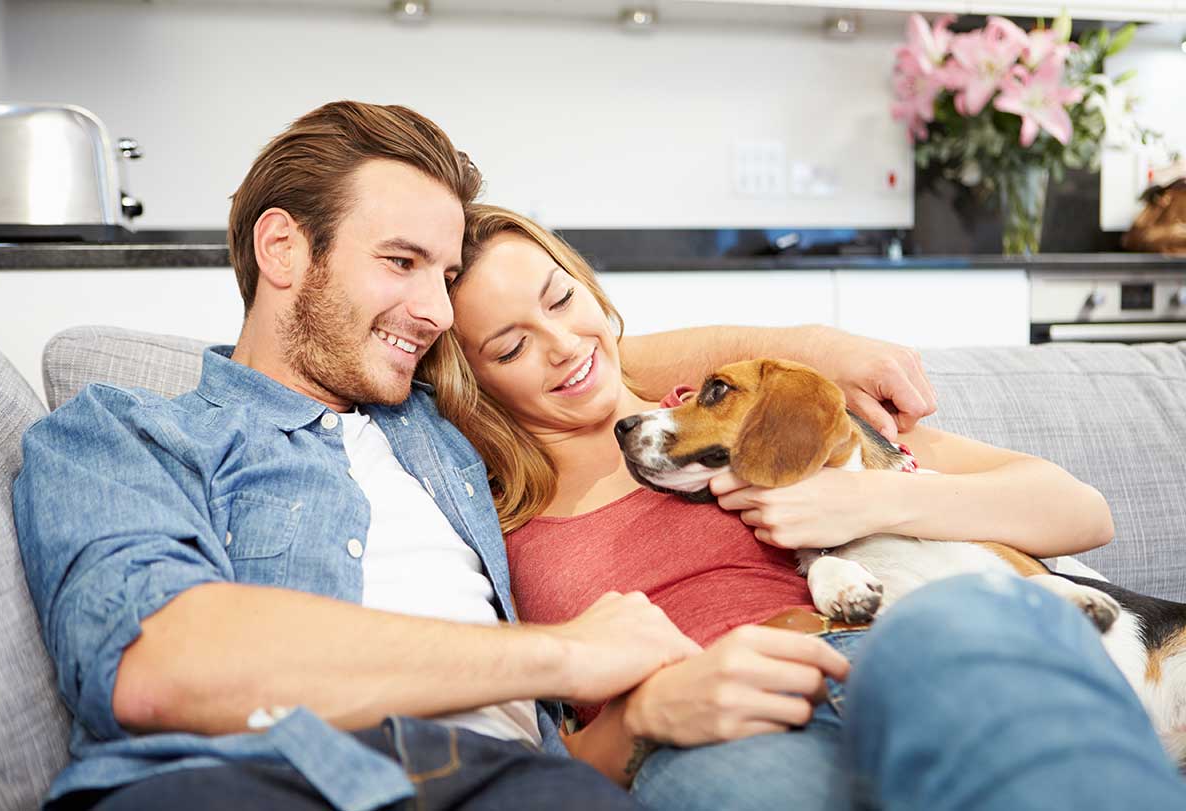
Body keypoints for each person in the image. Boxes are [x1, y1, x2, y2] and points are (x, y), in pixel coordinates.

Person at [11, 101, 938, 811]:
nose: (439, 311)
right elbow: (162, 663)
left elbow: (591, 360)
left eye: (446, 277)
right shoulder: (128, 431)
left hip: (520, 785)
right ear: (284, 249)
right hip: (250, 781)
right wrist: (565, 655)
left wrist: (814, 346)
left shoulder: (446, 425)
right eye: (403, 262)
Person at [420, 203, 1186, 809]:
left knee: (964, 629)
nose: (560, 344)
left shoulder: (760, 410)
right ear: (474, 383)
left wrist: (864, 495)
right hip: (717, 723)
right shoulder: (492, 516)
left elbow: (1079, 510)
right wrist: (637, 720)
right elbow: (540, 742)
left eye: (561, 297)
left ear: (589, 283)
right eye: (511, 347)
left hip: (903, 648)